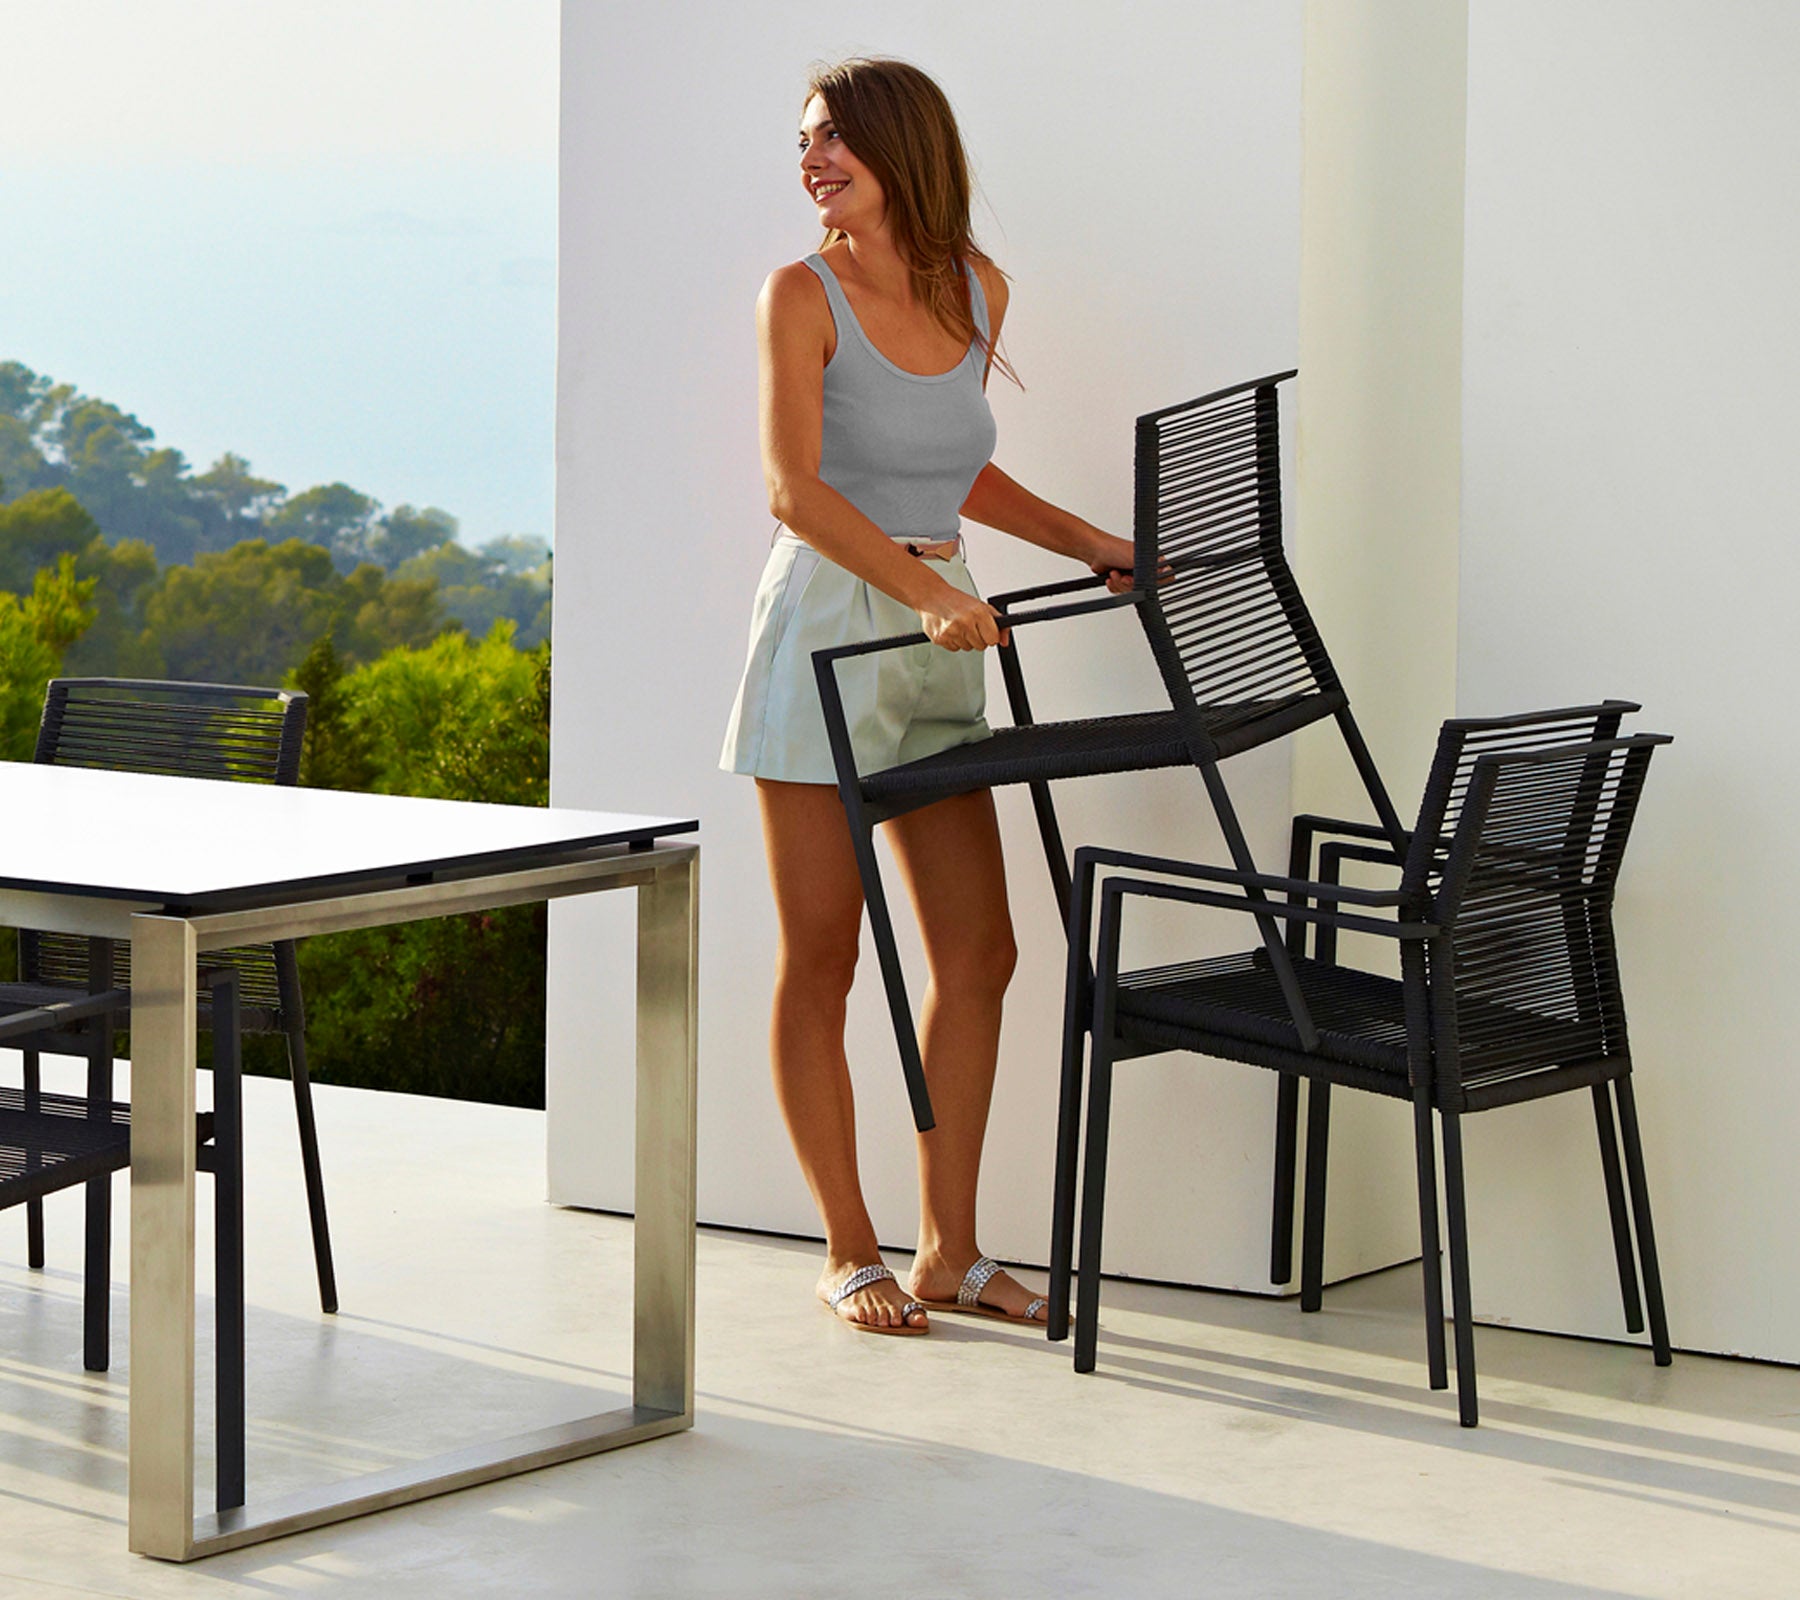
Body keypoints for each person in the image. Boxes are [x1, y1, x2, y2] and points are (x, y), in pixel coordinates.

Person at [721, 57, 1134, 1334]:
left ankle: (950, 1248)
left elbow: (953, 470)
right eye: (804, 142)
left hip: (943, 632)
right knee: (826, 958)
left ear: (904, 144)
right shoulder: (800, 295)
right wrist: (924, 592)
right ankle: (851, 1248)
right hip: (832, 631)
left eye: (835, 137)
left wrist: (1092, 543)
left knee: (983, 949)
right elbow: (797, 489)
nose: (812, 160)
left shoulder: (975, 292)